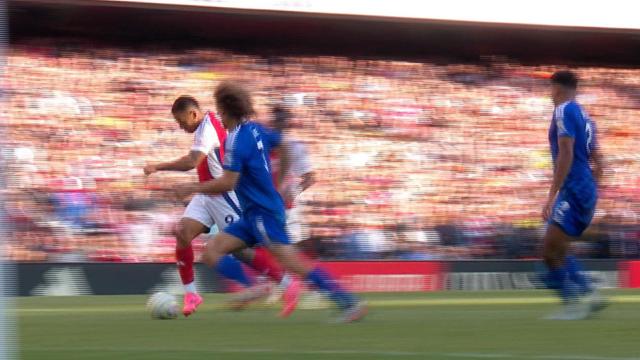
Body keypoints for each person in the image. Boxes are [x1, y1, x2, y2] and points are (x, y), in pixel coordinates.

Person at [176, 82, 367, 322]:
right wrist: (278, 184)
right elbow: (285, 146)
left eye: (220, 112)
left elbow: (228, 183)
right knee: (212, 251)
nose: (219, 118)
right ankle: (256, 288)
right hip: (252, 214)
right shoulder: (257, 129)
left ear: (226, 111)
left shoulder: (235, 141)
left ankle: (349, 302)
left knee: (294, 263)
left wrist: (192, 187)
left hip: (263, 213)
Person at [144, 96, 299, 317]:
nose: (180, 127)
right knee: (182, 233)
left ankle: (284, 283)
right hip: (206, 194)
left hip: (225, 195)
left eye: (181, 122)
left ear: (193, 114)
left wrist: (157, 167)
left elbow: (192, 162)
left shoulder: (207, 128)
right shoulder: (203, 126)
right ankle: (191, 294)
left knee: (239, 249)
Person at [541, 70, 607, 320]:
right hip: (584, 188)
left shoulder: (563, 110)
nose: (549, 96)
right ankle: (590, 293)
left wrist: (551, 195)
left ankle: (573, 304)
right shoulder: (586, 116)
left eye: (550, 90)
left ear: (556, 88)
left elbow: (565, 153)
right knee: (557, 249)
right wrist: (592, 191)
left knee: (549, 251)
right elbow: (600, 162)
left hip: (573, 188)